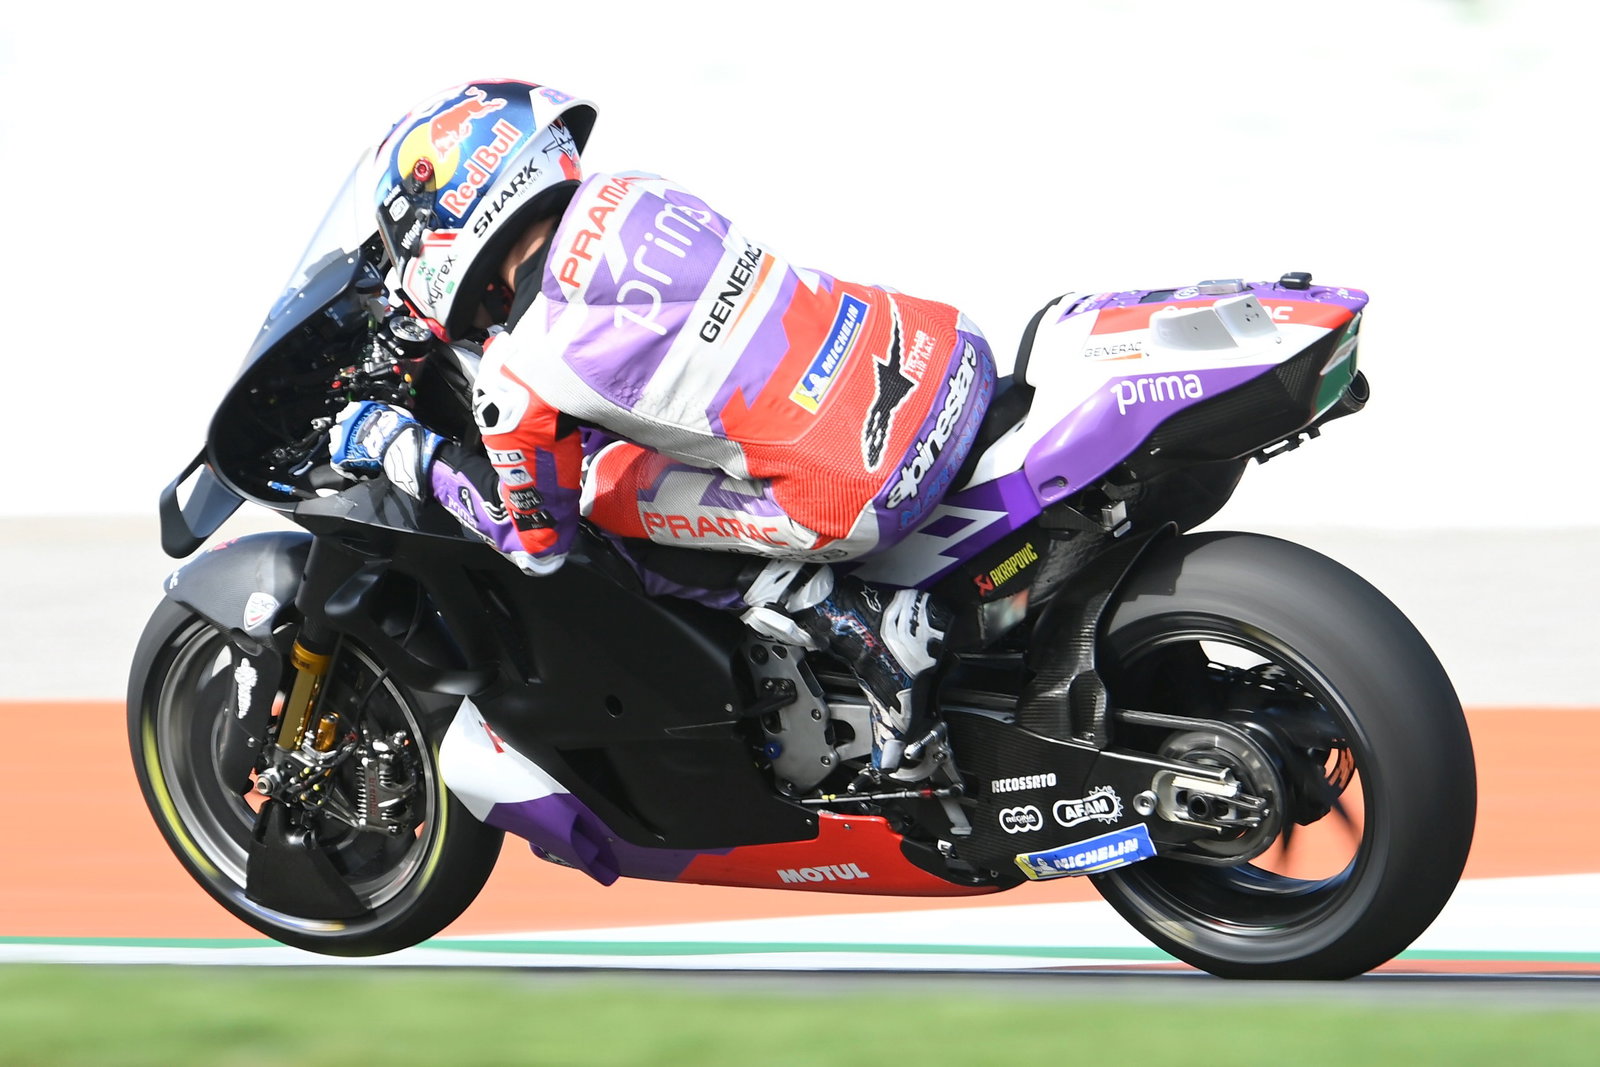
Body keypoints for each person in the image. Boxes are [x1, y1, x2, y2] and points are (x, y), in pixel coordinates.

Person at [329, 80, 995, 788]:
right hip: (942, 351)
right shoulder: (635, 189)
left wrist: (405, 449)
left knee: (595, 492)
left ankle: (862, 629)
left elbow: (533, 541)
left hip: (861, 486)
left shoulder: (520, 369)